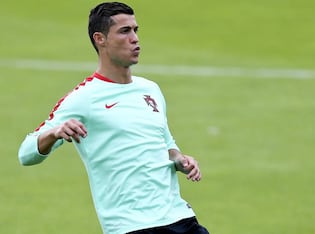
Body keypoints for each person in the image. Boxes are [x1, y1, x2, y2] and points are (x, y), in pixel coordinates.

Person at [18, 2, 209, 234]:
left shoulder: (151, 89)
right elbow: (25, 154)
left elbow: (166, 144)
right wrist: (54, 132)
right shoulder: (83, 98)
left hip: (180, 217)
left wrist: (180, 160)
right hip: (131, 226)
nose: (135, 38)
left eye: (135, 30)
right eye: (124, 31)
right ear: (100, 39)